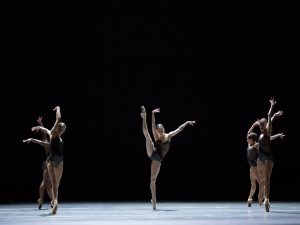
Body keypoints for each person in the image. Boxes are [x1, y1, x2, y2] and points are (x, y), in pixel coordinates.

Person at [140, 106, 195, 210]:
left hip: (157, 159)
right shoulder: (156, 134)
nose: (159, 133)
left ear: (163, 130)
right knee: (147, 135)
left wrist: (187, 122)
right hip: (152, 152)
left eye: (161, 131)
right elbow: (152, 125)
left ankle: (154, 199)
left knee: (152, 179)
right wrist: (152, 114)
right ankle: (143, 116)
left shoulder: (168, 136)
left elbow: (179, 129)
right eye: (158, 130)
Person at [247, 97, 283, 212]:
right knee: (261, 179)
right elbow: (259, 142)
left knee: (267, 179)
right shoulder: (261, 135)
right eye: (260, 125)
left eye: (263, 125)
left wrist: (272, 107)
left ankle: (267, 199)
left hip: (268, 158)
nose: (261, 126)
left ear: (266, 125)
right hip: (260, 159)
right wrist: (275, 116)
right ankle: (260, 196)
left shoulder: (267, 131)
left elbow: (269, 118)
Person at [31, 106, 66, 214]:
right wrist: (59, 108)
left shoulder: (55, 134)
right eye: (62, 128)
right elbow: (58, 118)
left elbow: (44, 129)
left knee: (55, 183)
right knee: (54, 183)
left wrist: (39, 126)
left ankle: (54, 202)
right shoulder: (54, 133)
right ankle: (54, 202)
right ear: (59, 128)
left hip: (57, 159)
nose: (62, 130)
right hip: (54, 159)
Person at [245, 131, 285, 207]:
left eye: (248, 139)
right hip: (251, 168)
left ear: (253, 140)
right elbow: (248, 132)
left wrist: (278, 135)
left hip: (255, 168)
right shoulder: (249, 144)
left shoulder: (256, 145)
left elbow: (269, 139)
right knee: (253, 185)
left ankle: (264, 197)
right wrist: (254, 124)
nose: (247, 140)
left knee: (261, 183)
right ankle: (250, 198)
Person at [23, 116, 52, 210]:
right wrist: (40, 124)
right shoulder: (50, 143)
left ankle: (41, 199)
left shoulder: (47, 144)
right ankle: (51, 200)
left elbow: (41, 139)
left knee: (45, 182)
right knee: (48, 184)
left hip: (48, 163)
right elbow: (44, 134)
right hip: (53, 164)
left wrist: (31, 139)